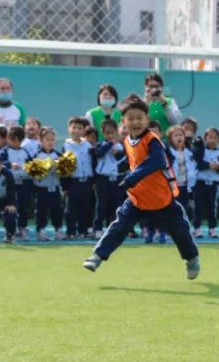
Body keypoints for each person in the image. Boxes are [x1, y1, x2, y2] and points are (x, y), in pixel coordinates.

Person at [83, 96, 199, 278]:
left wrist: (132, 177)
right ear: (123, 121)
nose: (135, 122)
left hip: (161, 199)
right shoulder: (127, 141)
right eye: (131, 118)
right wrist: (121, 170)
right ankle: (97, 256)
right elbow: (131, 162)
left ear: (147, 119)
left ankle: (191, 259)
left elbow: (156, 161)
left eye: (139, 118)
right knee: (119, 226)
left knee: (180, 231)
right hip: (137, 198)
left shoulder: (152, 140)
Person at [28, 127, 64, 241]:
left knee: (57, 210)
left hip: (55, 187)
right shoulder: (37, 155)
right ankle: (41, 230)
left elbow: (64, 171)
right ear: (41, 140)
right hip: (41, 188)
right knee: (41, 211)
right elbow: (32, 171)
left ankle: (58, 230)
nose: (50, 142)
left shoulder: (58, 155)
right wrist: (44, 168)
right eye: (47, 139)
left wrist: (59, 168)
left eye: (52, 140)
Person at [91, 119, 125, 235]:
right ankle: (98, 228)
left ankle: (114, 228)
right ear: (103, 132)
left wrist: (117, 153)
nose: (110, 135)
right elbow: (98, 153)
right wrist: (109, 144)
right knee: (101, 204)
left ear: (116, 131)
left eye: (112, 133)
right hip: (103, 179)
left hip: (116, 179)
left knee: (117, 204)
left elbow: (123, 161)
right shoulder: (100, 144)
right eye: (107, 133)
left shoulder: (120, 146)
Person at [63, 116, 95, 239]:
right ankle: (70, 231)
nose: (76, 130)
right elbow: (63, 168)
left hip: (86, 181)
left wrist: (94, 181)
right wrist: (65, 186)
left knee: (85, 207)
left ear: (84, 130)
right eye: (74, 127)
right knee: (71, 208)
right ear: (69, 129)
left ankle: (83, 230)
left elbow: (93, 163)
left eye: (80, 128)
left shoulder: (88, 145)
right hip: (73, 181)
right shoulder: (66, 145)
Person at [192, 127, 219, 239]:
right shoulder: (201, 150)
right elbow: (198, 163)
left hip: (213, 183)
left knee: (212, 207)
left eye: (215, 138)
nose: (212, 140)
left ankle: (212, 228)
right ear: (205, 138)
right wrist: (209, 165)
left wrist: (218, 168)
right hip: (200, 182)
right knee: (198, 206)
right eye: (210, 137)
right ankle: (197, 228)